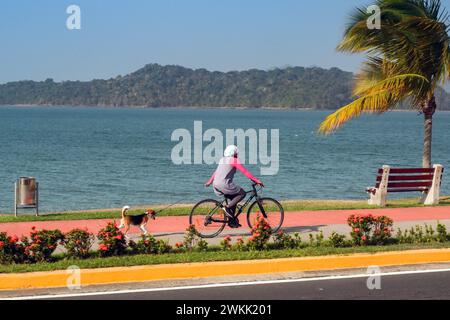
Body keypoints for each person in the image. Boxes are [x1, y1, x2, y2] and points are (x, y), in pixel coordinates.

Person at [205, 145, 264, 228]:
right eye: (236, 153)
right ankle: (227, 208)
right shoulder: (234, 160)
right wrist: (256, 180)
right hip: (224, 184)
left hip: (216, 184)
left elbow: (216, 172)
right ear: (234, 153)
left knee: (234, 199)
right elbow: (245, 172)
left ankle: (232, 221)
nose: (237, 155)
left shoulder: (222, 159)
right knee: (242, 193)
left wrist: (210, 182)